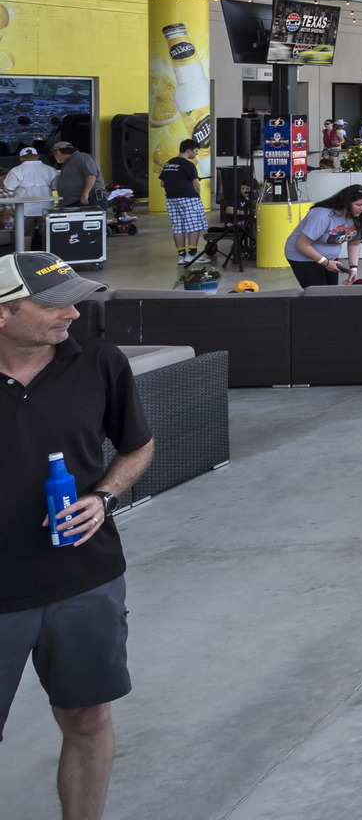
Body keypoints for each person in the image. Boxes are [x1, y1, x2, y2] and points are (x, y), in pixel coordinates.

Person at [0, 251, 152, 820]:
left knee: (89, 719)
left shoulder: (99, 362)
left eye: (75, 300)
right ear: (3, 314)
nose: (72, 315)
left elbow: (138, 445)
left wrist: (104, 496)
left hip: (85, 582)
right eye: (53, 304)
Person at [286, 184, 362, 285]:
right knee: (317, 293)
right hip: (303, 256)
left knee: (330, 292)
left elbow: (354, 243)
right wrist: (325, 262)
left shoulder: (360, 217)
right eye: (358, 205)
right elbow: (301, 244)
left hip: (329, 258)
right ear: (346, 203)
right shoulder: (322, 215)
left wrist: (353, 268)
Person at [159, 137, 206, 261]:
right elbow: (196, 185)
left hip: (171, 199)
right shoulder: (189, 165)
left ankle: (181, 255)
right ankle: (192, 254)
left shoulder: (168, 163)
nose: (196, 154)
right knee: (194, 225)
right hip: (189, 198)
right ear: (189, 150)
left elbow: (162, 184)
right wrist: (197, 197)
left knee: (178, 227)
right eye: (196, 151)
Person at [48, 140, 98, 208]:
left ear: (58, 151)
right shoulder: (67, 162)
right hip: (73, 202)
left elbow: (91, 175)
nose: (55, 157)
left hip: (87, 201)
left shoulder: (82, 157)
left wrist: (85, 195)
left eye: (55, 154)